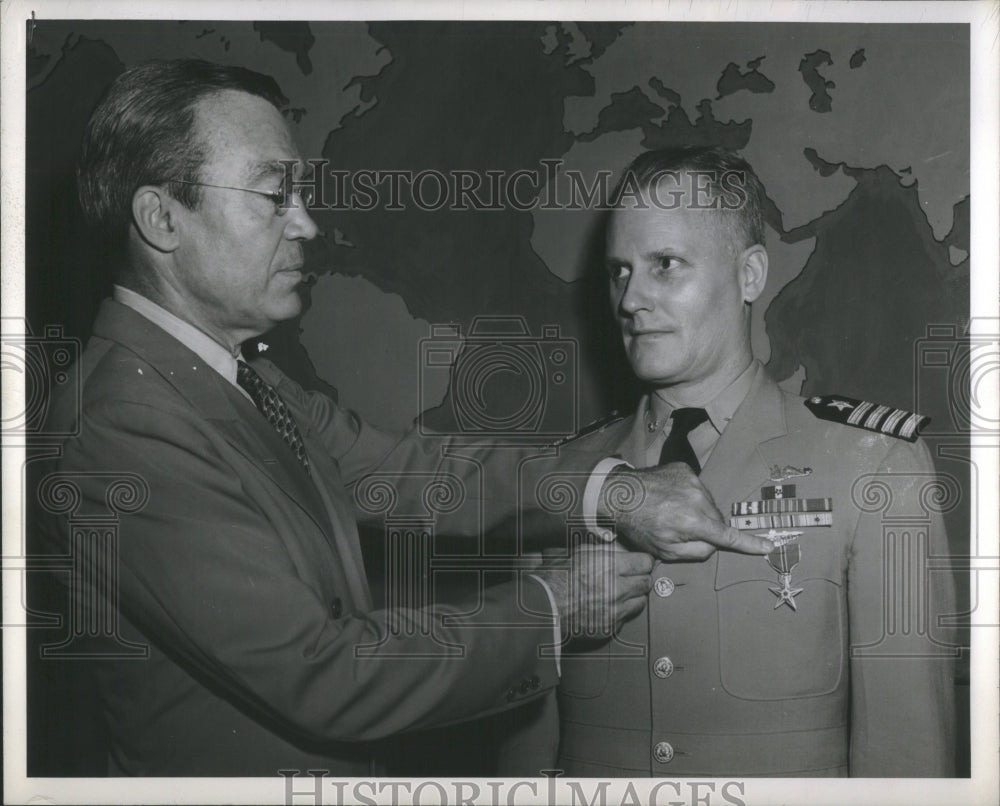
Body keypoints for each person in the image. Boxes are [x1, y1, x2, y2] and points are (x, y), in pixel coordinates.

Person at [32, 62, 771, 777]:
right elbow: (325, 673)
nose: (307, 224)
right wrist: (553, 606)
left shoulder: (227, 378)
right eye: (273, 195)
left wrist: (610, 490)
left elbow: (402, 472)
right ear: (162, 218)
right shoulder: (124, 420)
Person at [501, 146, 957, 777]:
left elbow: (908, 760)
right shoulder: (563, 477)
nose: (631, 299)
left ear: (749, 275)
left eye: (665, 265)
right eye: (619, 271)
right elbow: (525, 753)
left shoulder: (874, 466)